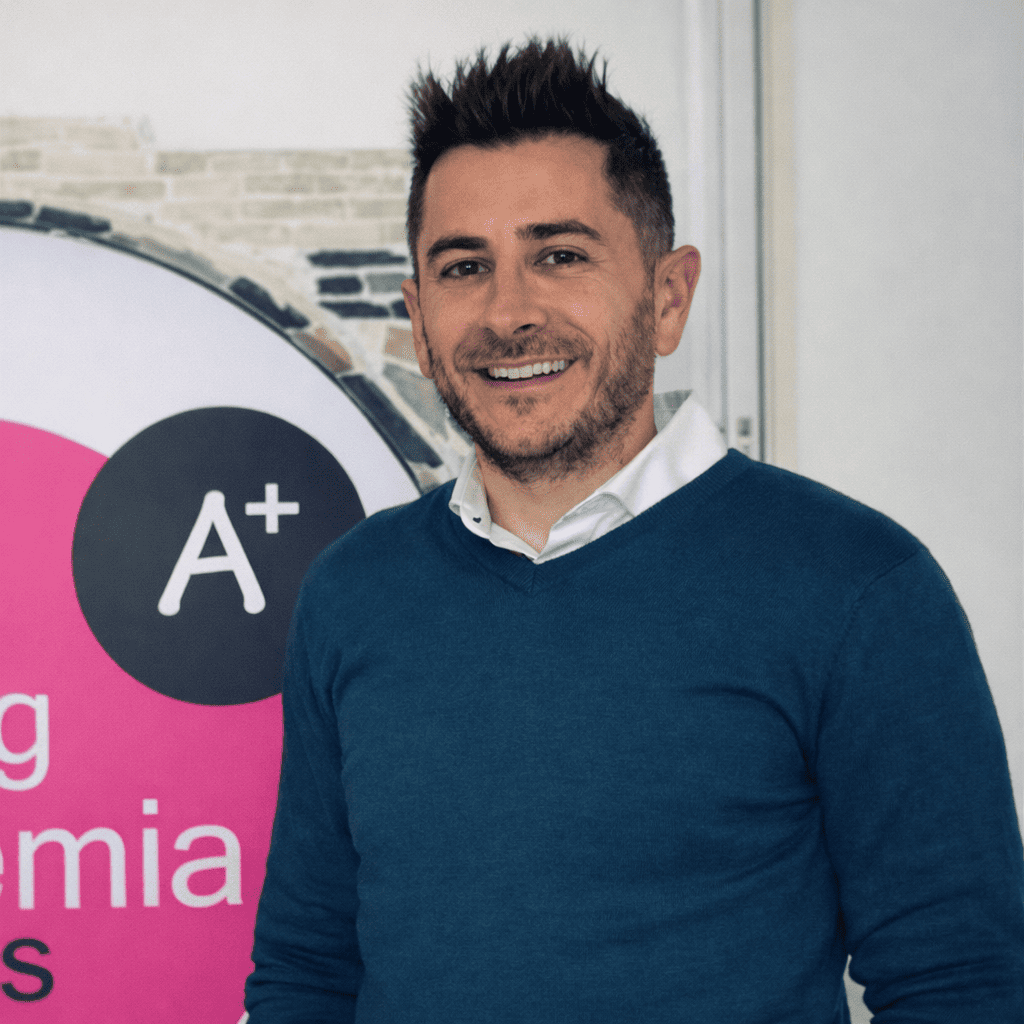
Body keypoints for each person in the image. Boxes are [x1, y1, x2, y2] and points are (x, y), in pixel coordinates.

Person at [245, 39, 1024, 1023]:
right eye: (464, 267)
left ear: (667, 297)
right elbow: (307, 972)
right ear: (419, 316)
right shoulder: (353, 592)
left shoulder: (857, 586)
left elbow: (963, 984)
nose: (508, 312)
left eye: (559, 255)